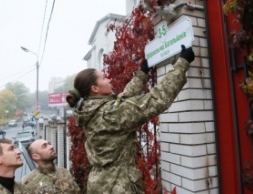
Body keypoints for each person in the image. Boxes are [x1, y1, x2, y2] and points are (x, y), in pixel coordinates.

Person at [66, 45, 195, 194]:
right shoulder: (111, 114)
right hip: (117, 186)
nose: (109, 80)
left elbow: (122, 101)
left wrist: (142, 74)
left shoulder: (92, 110)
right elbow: (157, 99)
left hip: (100, 184)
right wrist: (182, 63)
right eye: (104, 78)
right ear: (95, 89)